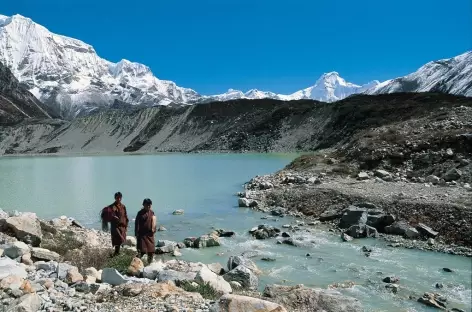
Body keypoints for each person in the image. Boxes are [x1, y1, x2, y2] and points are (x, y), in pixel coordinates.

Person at [103, 192, 129, 256]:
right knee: (118, 241)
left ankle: (115, 255)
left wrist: (126, 225)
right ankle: (116, 255)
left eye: (120, 197)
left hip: (122, 226)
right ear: (115, 198)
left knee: (120, 242)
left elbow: (125, 215)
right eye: (117, 197)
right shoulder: (112, 206)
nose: (119, 199)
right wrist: (113, 216)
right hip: (115, 227)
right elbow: (109, 214)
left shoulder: (123, 206)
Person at [135, 198, 156, 263]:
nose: (149, 206)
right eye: (147, 205)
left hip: (150, 235)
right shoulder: (140, 213)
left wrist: (154, 230)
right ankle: (136, 264)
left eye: (150, 205)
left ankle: (149, 264)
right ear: (144, 205)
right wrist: (136, 233)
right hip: (142, 235)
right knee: (141, 251)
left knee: (151, 251)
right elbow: (137, 224)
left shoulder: (152, 212)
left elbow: (154, 222)